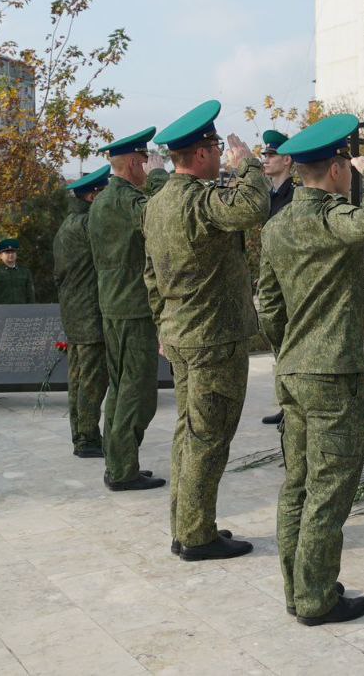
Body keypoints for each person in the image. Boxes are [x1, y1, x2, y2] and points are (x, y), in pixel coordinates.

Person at [259, 114, 364, 625]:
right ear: (338, 168)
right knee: (330, 485)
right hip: (332, 373)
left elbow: (268, 305)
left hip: (293, 371)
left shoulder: (276, 225)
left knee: (297, 482)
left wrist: (288, 352)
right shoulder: (330, 215)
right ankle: (317, 597)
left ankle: (298, 591)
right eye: (349, 166)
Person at [144, 99, 269, 560]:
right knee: (208, 437)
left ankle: (187, 524)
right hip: (214, 338)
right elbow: (254, 206)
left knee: (188, 432)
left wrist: (163, 324)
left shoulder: (156, 205)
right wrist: (250, 165)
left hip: (180, 335)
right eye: (216, 147)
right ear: (198, 155)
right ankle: (196, 537)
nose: (221, 154)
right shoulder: (200, 201)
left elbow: (150, 276)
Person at [89, 130, 170, 490]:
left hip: (115, 305)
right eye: (146, 162)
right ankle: (122, 470)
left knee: (122, 389)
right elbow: (161, 216)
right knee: (137, 393)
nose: (148, 167)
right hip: (133, 307)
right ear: (136, 163)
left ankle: (119, 463)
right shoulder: (124, 199)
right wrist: (159, 177)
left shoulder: (103, 200)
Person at [56, 165, 112, 458]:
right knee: (91, 379)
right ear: (93, 197)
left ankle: (81, 434)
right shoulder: (85, 225)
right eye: (103, 192)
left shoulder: (69, 223)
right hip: (89, 314)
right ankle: (88, 438)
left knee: (78, 378)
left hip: (76, 312)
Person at [260, 128, 295, 427]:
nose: (265, 159)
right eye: (264, 154)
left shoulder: (294, 196)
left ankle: (294, 406)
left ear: (287, 160)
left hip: (289, 281)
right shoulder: (268, 196)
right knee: (278, 345)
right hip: (274, 281)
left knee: (290, 344)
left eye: (271, 155)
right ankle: (286, 404)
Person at [0, 239, 36, 304]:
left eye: (13, 252)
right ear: (0, 256)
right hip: (2, 311)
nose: (11, 255)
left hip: (22, 310)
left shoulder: (25, 272)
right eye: (7, 252)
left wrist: (31, 310)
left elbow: (30, 295)